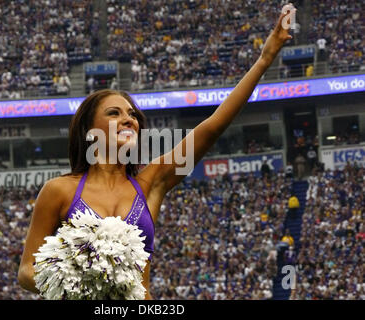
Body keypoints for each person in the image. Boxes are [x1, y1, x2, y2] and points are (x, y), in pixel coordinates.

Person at [18, 8, 294, 300]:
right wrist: (80, 279)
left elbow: (212, 127)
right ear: (89, 129)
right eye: (114, 113)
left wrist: (264, 60)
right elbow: (26, 270)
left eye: (133, 115)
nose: (129, 119)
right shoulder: (59, 190)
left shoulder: (151, 183)